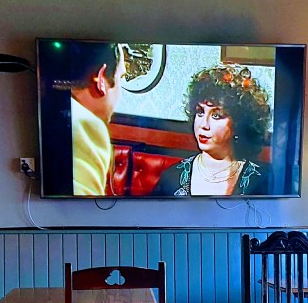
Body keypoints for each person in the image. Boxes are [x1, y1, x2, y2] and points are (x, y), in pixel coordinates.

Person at [152, 63, 272, 196]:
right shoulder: (172, 178)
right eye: (200, 112)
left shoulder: (261, 182)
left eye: (216, 115)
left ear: (238, 124)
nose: (204, 125)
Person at [63, 42, 126, 196]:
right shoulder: (85, 124)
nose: (120, 94)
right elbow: (81, 209)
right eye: (121, 78)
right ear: (101, 79)